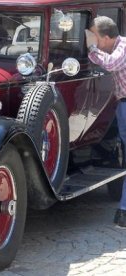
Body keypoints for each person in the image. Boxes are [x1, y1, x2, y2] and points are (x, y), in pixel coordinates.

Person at [85, 16, 126, 227]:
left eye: (97, 38)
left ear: (108, 37)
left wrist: (91, 48)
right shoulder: (113, 47)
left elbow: (110, 63)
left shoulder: (123, 47)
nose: (96, 42)